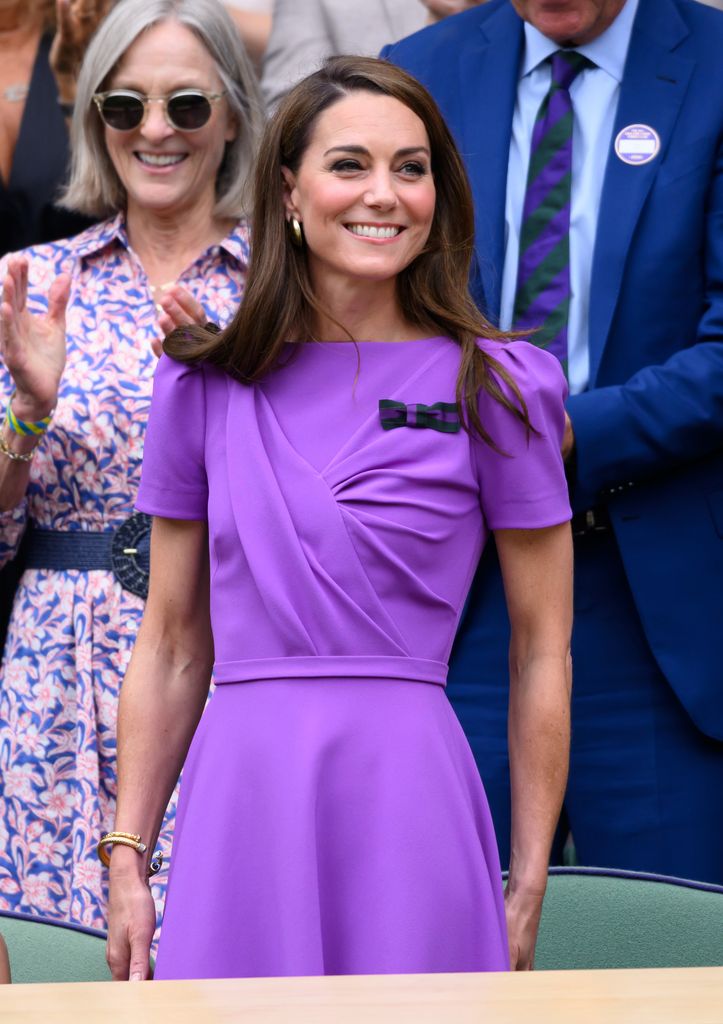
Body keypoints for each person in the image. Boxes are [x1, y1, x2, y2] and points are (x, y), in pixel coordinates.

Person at [106, 55, 573, 981]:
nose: (384, 195)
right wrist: (127, 858)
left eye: (411, 168)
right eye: (349, 164)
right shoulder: (203, 382)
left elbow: (542, 650)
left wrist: (525, 881)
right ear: (289, 189)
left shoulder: (504, 387)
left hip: (413, 802)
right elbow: (169, 642)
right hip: (241, 800)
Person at [383, 0, 723, 883]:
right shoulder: (421, 67)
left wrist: (558, 434)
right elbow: (370, 318)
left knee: (664, 964)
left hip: (654, 606)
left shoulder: (717, 63)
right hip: (460, 602)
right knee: (446, 950)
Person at [0, 0, 263, 931]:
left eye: (186, 105)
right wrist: (27, 414)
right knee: (57, 971)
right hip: (57, 677)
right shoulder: (31, 283)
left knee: (228, 950)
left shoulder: (290, 286)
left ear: (232, 116)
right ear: (93, 120)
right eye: (125, 106)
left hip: (236, 660)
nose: (155, 131)